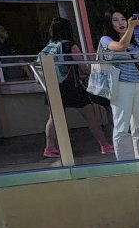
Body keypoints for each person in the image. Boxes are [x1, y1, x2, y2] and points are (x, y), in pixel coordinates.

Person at [41, 16, 110, 158]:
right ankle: (104, 145)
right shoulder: (70, 46)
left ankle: (49, 148)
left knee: (53, 118)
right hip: (72, 86)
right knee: (90, 115)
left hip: (54, 87)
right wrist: (94, 70)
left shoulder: (49, 47)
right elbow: (83, 68)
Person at [98, 10, 139, 159]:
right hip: (120, 85)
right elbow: (120, 46)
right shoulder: (106, 39)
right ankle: (125, 161)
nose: (121, 22)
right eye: (116, 20)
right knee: (122, 125)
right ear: (109, 23)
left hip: (138, 84)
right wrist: (131, 28)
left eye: (122, 19)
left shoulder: (133, 41)